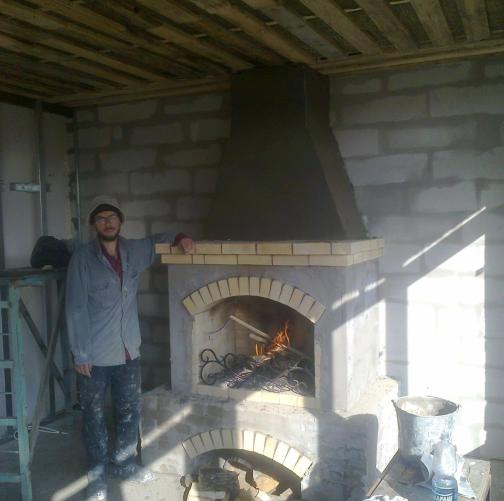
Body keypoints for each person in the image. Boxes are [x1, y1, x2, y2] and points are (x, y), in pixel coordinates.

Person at [65, 195, 193, 501]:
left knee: (129, 412)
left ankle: (123, 463)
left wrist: (180, 237)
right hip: (94, 354)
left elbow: (158, 239)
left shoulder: (134, 250)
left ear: (120, 221)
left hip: (128, 350)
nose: (107, 222)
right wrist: (80, 353)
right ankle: (97, 472)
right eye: (101, 218)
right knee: (94, 416)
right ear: (94, 225)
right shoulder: (82, 259)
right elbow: (75, 307)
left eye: (112, 217)